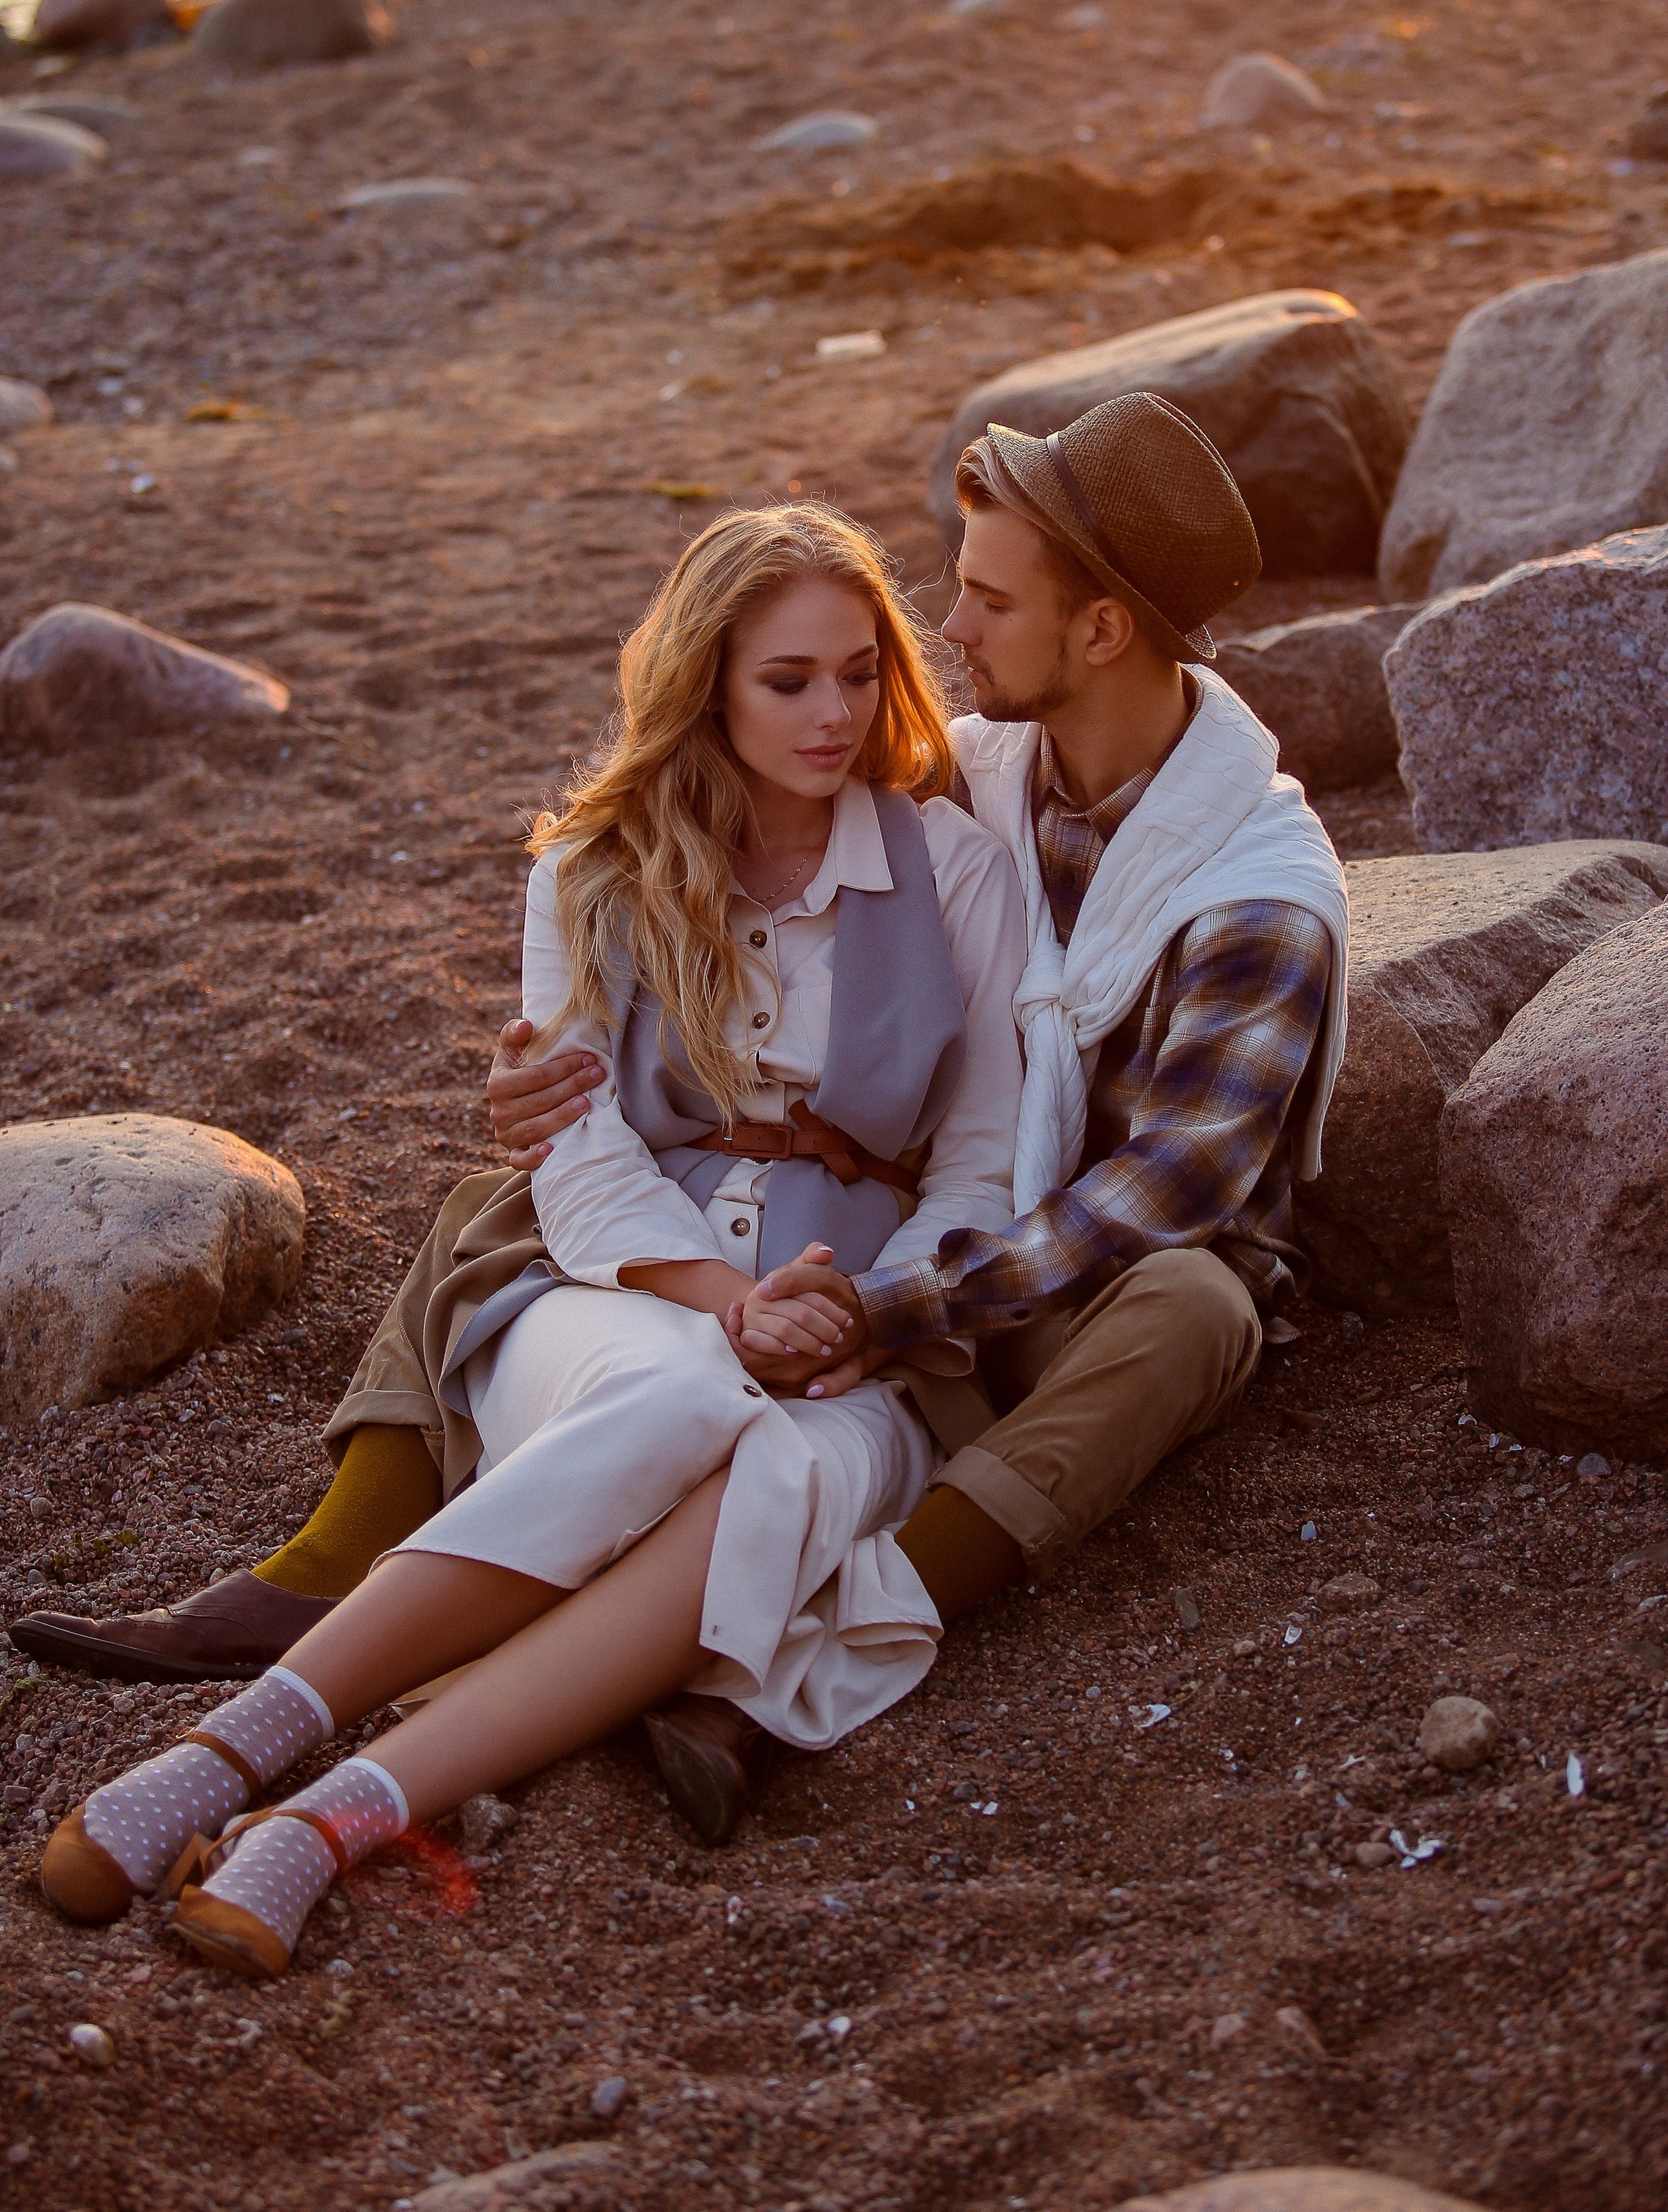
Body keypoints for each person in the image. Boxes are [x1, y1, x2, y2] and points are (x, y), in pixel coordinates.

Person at [23, 392, 1352, 1851]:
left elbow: (1152, 1188)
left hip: (1047, 1273)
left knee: (1182, 1305)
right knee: (521, 1187)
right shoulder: (984, 767)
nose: (937, 639)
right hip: (858, 1255)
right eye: (800, 677)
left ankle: (827, 1630)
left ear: (1097, 633)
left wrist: (864, 1309)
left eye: (976, 601)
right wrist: (586, 1129)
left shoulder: (1249, 898)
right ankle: (332, 1567)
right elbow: (714, 917)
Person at [39, 503, 1025, 1975]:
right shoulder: (587, 870)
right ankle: (238, 1744)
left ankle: (323, 1826)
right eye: (787, 680)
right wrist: (727, 1302)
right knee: (689, 1391)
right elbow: (577, 1153)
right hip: (612, 1301)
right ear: (704, 682)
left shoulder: (953, 865)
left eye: (859, 671)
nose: (835, 713)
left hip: (861, 1348)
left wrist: (869, 1312)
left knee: (783, 1474)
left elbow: (985, 1160)